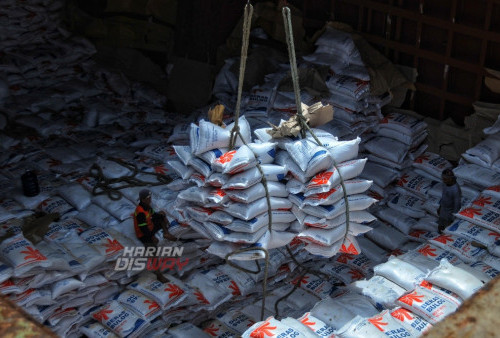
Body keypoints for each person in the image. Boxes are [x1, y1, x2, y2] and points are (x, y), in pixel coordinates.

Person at [133, 188, 176, 282]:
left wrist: (163, 217)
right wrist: (152, 237)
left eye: (150, 197)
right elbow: (143, 229)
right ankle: (159, 275)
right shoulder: (140, 212)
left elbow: (154, 215)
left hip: (150, 227)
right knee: (153, 253)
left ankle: (166, 234)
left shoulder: (147, 207)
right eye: (148, 198)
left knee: (161, 214)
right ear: (143, 199)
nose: (150, 200)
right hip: (144, 235)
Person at [438, 169, 461, 234]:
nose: (443, 181)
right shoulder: (445, 184)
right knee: (440, 225)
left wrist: (453, 217)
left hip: (449, 212)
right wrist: (440, 207)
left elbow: (457, 204)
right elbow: (443, 196)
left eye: (445, 179)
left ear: (450, 179)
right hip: (443, 209)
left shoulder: (455, 189)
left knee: (447, 229)